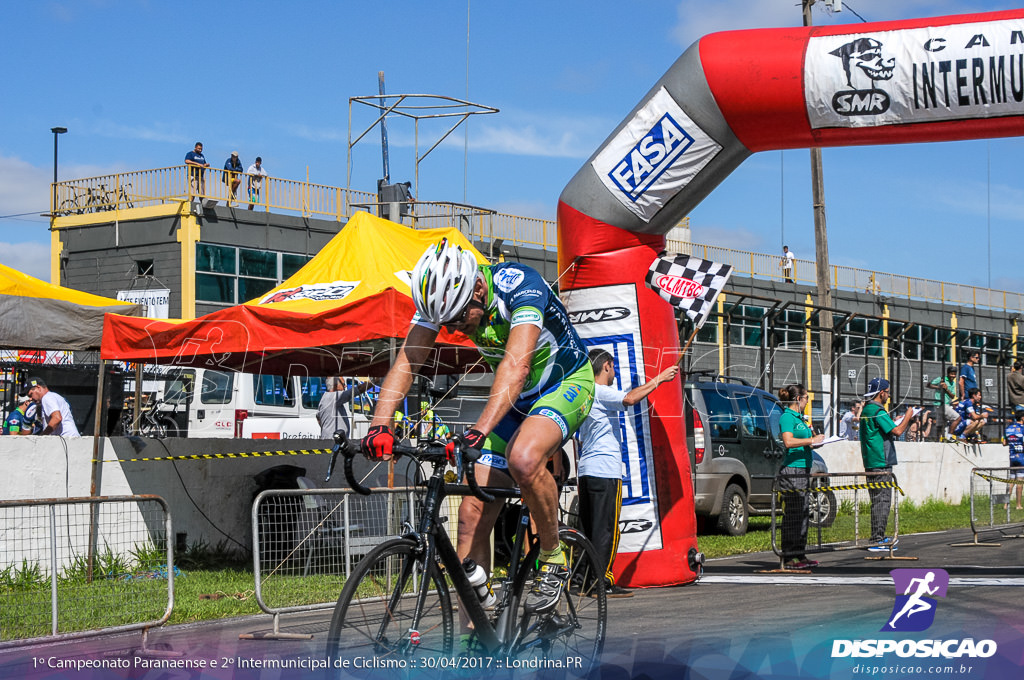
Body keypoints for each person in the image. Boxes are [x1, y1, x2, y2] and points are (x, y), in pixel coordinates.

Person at [360, 239, 593, 622]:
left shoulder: (520, 286)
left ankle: (553, 557)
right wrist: (379, 425)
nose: (453, 329)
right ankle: (478, 636)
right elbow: (409, 359)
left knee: (524, 457)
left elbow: (516, 366)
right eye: (446, 324)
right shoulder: (445, 300)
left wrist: (480, 429)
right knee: (471, 512)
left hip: (564, 384)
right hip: (515, 400)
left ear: (478, 290)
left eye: (457, 320)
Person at [578, 348, 679, 595]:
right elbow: (630, 399)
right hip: (605, 469)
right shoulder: (601, 391)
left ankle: (581, 580)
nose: (615, 374)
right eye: (614, 369)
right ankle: (600, 582)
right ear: (607, 366)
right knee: (606, 531)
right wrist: (660, 378)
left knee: (588, 529)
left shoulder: (583, 394)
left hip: (587, 469)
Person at [859, 377, 915, 551]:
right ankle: (877, 539)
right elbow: (897, 431)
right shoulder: (878, 410)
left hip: (871, 461)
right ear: (881, 392)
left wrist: (896, 420)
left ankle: (878, 536)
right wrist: (908, 417)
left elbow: (886, 428)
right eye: (888, 392)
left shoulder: (867, 409)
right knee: (882, 501)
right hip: (881, 462)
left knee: (877, 501)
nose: (888, 396)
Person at [777, 384, 825, 569]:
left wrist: (816, 442)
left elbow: (805, 441)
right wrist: (811, 440)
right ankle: (787, 555)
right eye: (806, 399)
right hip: (792, 470)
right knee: (793, 514)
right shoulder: (787, 417)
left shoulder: (800, 418)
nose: (807, 402)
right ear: (798, 399)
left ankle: (800, 553)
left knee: (804, 512)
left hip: (804, 469)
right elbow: (788, 441)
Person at [929, 366, 960, 439]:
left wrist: (946, 389)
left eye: (954, 374)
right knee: (957, 418)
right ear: (948, 373)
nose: (953, 376)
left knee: (942, 424)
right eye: (952, 374)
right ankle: (949, 437)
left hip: (946, 404)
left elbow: (952, 396)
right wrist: (938, 387)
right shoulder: (941, 379)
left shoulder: (953, 383)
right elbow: (929, 385)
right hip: (940, 404)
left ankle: (939, 439)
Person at [1003, 405, 1024, 510]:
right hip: (1021, 456)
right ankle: (1018, 505)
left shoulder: (1009, 428)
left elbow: (1004, 442)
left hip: (1011, 456)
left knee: (1011, 481)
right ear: (1023, 418)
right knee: (1020, 481)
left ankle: (1005, 504)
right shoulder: (1023, 429)